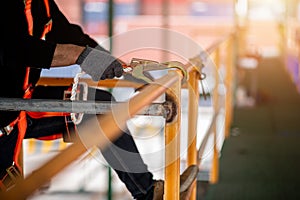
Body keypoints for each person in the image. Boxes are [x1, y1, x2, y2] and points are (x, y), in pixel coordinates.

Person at [0, 0, 198, 199]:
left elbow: (69, 34)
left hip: (22, 105)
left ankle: (150, 194)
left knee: (101, 107)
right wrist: (80, 56)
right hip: (4, 120)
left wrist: (128, 74)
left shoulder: (40, 3)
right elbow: (15, 49)